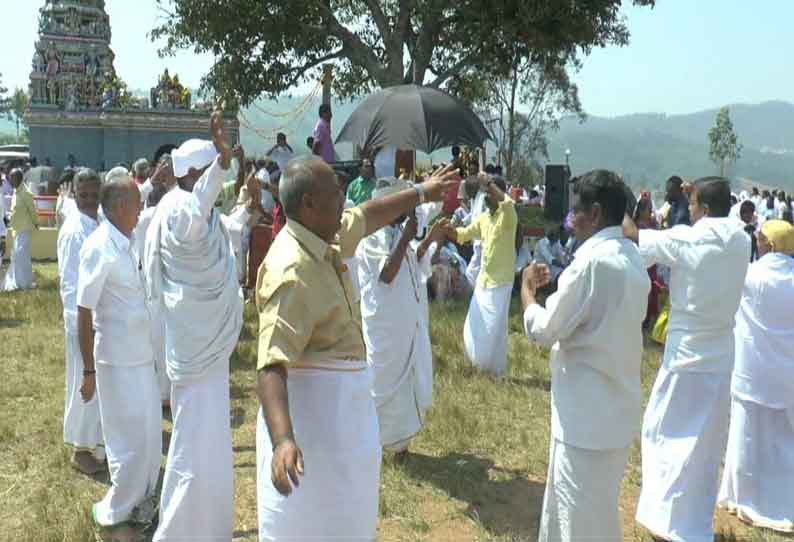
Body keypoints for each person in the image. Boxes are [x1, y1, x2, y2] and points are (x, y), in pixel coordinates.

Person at [254, 158, 458, 540]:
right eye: (336, 193)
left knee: (345, 523)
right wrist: (282, 440)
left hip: (342, 424)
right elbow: (270, 367)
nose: (344, 199)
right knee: (311, 524)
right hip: (317, 425)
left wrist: (420, 192)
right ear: (310, 204)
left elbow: (367, 215)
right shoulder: (291, 271)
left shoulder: (322, 233)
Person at [522, 169, 649, 542]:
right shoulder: (631, 257)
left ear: (594, 214)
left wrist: (527, 290)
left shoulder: (591, 263)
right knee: (586, 513)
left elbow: (545, 330)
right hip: (612, 413)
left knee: (578, 522)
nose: (570, 219)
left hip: (584, 418)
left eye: (575, 210)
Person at [625, 177, 750, 542]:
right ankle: (693, 523)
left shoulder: (687, 239)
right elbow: (719, 218)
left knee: (662, 432)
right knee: (706, 446)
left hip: (685, 356)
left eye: (693, 204)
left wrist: (623, 206)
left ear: (704, 209)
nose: (689, 210)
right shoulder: (742, 240)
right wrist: (699, 191)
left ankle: (666, 519)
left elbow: (635, 237)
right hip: (722, 354)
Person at [144, 110, 243, 541]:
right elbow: (200, 205)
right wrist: (223, 164)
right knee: (191, 441)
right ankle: (180, 529)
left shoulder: (182, 206)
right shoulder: (184, 209)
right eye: (209, 169)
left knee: (210, 438)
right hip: (196, 343)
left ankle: (210, 525)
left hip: (201, 343)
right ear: (197, 173)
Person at [77, 174, 161, 540]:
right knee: (126, 441)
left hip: (140, 358)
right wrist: (89, 370)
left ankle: (141, 501)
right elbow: (84, 311)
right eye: (136, 204)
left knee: (148, 436)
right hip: (115, 362)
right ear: (120, 208)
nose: (141, 210)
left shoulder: (127, 241)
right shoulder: (100, 247)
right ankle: (117, 511)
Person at [356, 178, 448, 458]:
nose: (409, 211)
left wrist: (430, 240)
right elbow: (387, 274)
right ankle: (379, 444)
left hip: (407, 322)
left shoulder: (398, 231)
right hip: (386, 326)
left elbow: (413, 262)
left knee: (405, 385)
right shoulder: (372, 237)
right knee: (383, 383)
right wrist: (408, 236)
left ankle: (401, 447)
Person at [718, 220, 794, 533]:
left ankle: (745, 499)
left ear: (771, 245)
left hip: (752, 370)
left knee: (746, 437)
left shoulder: (750, 275)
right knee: (782, 442)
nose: (757, 243)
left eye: (760, 239)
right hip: (786, 374)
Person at [57, 168, 105, 475]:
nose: (89, 200)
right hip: (82, 320)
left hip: (96, 318)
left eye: (93, 194)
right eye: (83, 195)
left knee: (96, 384)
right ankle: (81, 448)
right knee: (83, 382)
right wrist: (83, 324)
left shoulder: (96, 222)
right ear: (74, 195)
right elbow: (71, 284)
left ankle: (96, 444)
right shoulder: (76, 230)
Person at [445, 173, 517, 377]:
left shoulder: (508, 216)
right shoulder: (484, 218)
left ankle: (484, 369)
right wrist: (449, 230)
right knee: (476, 324)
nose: (485, 196)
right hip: (483, 280)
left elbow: (508, 202)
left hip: (501, 282)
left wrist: (489, 183)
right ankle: (491, 369)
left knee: (492, 328)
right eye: (485, 192)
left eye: (489, 192)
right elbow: (463, 234)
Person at [3, 169, 39, 291]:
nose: (11, 180)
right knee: (20, 257)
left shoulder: (26, 193)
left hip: (25, 229)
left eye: (13, 178)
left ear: (19, 178)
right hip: (16, 230)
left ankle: (21, 284)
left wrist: (36, 223)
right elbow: (15, 210)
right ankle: (25, 281)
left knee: (20, 256)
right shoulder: (15, 192)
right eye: (10, 178)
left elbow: (32, 211)